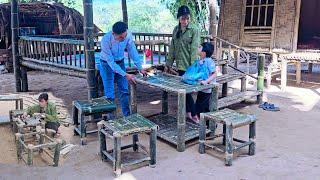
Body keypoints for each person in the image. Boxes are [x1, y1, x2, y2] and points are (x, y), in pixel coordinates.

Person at [99, 21, 147, 116]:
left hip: (120, 62)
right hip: (106, 64)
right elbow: (111, 63)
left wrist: (140, 68)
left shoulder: (127, 35)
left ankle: (127, 116)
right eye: (121, 37)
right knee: (110, 95)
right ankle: (111, 119)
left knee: (124, 91)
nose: (123, 39)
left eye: (124, 36)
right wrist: (125, 74)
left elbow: (132, 51)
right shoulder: (105, 40)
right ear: (113, 34)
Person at [165, 5, 200, 120]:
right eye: (183, 18)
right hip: (180, 65)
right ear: (179, 19)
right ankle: (190, 113)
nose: (185, 21)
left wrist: (193, 67)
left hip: (189, 65)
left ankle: (194, 114)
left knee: (188, 91)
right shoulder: (176, 30)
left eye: (187, 18)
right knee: (184, 91)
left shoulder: (194, 30)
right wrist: (168, 64)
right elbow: (172, 48)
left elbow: (195, 49)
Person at [190, 42, 217, 123]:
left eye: (200, 47)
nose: (198, 48)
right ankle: (206, 124)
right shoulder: (201, 60)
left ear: (204, 52)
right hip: (202, 89)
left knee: (200, 107)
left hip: (207, 89)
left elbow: (214, 74)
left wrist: (206, 81)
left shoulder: (209, 61)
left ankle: (209, 124)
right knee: (201, 106)